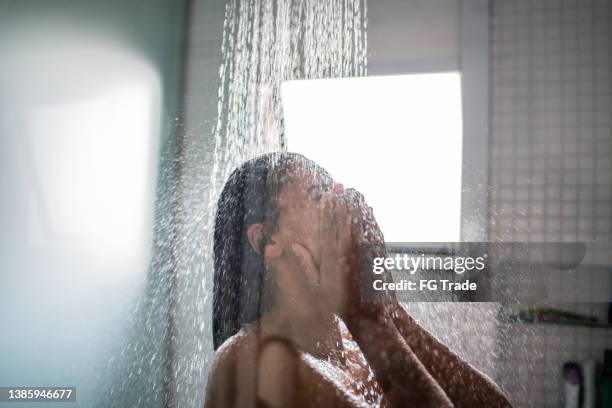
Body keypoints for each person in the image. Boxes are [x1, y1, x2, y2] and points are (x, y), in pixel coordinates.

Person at [205, 152, 510, 408]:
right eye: (318, 193)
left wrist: (387, 310)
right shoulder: (249, 361)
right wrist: (367, 317)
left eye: (335, 188)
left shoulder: (355, 346)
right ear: (266, 239)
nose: (344, 198)